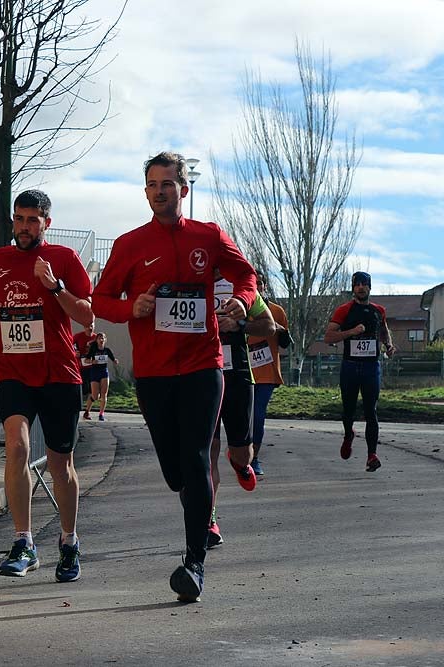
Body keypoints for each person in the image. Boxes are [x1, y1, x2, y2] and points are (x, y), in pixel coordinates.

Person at [92, 151, 257, 603]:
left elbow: (245, 275)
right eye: (152, 184)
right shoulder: (129, 245)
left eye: (168, 184)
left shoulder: (209, 235)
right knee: (174, 469)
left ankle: (194, 563)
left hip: (204, 366)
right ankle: (191, 502)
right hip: (155, 372)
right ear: (145, 191)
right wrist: (132, 308)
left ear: (184, 189)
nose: (160, 191)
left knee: (198, 456)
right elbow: (100, 299)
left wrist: (241, 301)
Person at [0, 189, 94, 582]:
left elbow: (87, 314)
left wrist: (55, 286)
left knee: (61, 465)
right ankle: (23, 542)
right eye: (19, 218)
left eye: (32, 220)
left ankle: (68, 541)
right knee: (17, 446)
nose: (24, 227)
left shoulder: (64, 259)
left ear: (47, 221)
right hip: (13, 370)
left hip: (60, 372)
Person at [207, 270, 275, 548]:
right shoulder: (189, 284)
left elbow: (269, 327)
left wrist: (241, 325)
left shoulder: (241, 289)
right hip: (202, 373)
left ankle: (238, 462)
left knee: (242, 452)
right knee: (206, 452)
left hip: (237, 374)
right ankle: (208, 521)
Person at [323, 271, 395, 472]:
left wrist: (388, 345)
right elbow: (328, 337)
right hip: (350, 366)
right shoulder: (344, 310)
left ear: (370, 287)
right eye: (357, 284)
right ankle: (349, 434)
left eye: (365, 284)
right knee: (348, 410)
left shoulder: (378, 310)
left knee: (371, 410)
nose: (361, 287)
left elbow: (383, 330)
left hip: (372, 367)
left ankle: (372, 455)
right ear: (353, 288)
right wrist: (352, 332)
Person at [247, 274, 291, 476]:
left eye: (260, 284)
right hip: (243, 372)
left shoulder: (276, 311)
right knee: (243, 416)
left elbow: (285, 344)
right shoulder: (240, 308)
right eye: (253, 283)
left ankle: (254, 458)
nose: (257, 287)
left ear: (265, 287)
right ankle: (241, 452)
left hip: (266, 373)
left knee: (258, 415)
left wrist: (280, 330)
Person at [84, 332, 120, 421]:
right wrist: (92, 362)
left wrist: (115, 361)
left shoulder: (107, 350)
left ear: (105, 340)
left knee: (104, 394)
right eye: (99, 338)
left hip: (104, 372)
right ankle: (87, 411)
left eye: (103, 338)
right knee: (95, 396)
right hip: (95, 372)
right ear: (96, 340)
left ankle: (101, 414)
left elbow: (113, 359)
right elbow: (85, 360)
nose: (101, 340)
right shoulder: (93, 349)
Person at [72, 322, 96, 417]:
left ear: (94, 326)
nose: (89, 328)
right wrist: (75, 352)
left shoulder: (96, 337)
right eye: (87, 326)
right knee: (83, 390)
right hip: (81, 367)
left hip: (93, 367)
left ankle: (87, 411)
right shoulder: (78, 336)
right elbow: (69, 344)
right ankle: (76, 408)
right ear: (84, 327)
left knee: (94, 392)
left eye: (92, 326)